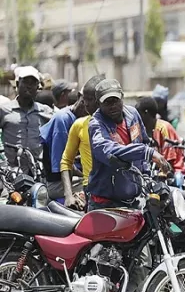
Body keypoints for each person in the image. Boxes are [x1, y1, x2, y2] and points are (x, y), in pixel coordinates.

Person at [87, 79, 170, 211]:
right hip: (106, 204)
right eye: (107, 102)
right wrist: (146, 152)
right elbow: (106, 150)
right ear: (98, 104)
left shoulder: (132, 114)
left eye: (115, 100)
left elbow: (143, 142)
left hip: (134, 199)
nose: (113, 105)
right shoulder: (96, 124)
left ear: (122, 98)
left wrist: (147, 176)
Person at [40, 76, 96, 201]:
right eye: (85, 100)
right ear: (79, 97)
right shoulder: (63, 119)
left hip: (76, 177)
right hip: (58, 184)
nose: (87, 106)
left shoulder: (87, 120)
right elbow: (63, 163)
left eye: (93, 103)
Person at [61, 76, 105, 209]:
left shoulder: (120, 124)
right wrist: (68, 195)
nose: (85, 104)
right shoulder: (79, 125)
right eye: (84, 99)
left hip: (119, 193)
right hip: (92, 192)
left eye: (90, 99)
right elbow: (66, 161)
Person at [2, 66, 54, 174]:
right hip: (10, 172)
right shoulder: (4, 110)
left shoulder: (46, 112)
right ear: (17, 84)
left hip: (37, 173)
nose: (29, 86)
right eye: (25, 82)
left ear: (37, 87)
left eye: (33, 83)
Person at [136, 96, 185, 174]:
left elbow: (168, 162)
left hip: (172, 174)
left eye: (138, 113)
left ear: (146, 113)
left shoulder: (164, 128)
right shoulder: (141, 130)